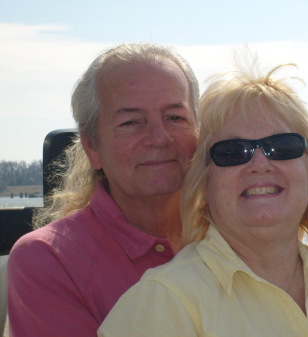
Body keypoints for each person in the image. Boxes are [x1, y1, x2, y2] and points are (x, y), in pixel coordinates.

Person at [98, 59, 308, 337]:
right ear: (204, 185)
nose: (259, 163)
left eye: (282, 147)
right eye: (233, 152)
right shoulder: (163, 304)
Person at [7, 42, 199, 337]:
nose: (159, 138)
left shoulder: (238, 235)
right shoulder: (48, 260)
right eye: (131, 122)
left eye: (175, 117)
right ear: (91, 145)